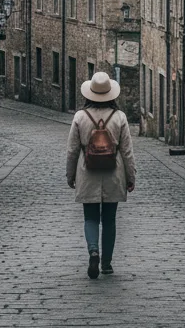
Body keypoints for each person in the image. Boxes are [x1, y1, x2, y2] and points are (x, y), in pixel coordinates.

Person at [65, 70, 136, 279]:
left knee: (91, 217)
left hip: (88, 173)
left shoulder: (80, 117)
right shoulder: (120, 117)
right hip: (114, 173)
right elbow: (127, 152)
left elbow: (72, 150)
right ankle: (106, 264)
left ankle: (93, 251)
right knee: (110, 219)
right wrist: (131, 177)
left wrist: (70, 176)